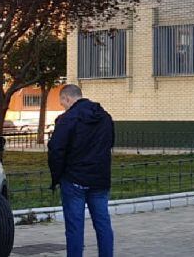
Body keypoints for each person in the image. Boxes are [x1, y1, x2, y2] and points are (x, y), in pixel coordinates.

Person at [48, 84, 115, 257]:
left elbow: (56, 150)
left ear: (67, 98)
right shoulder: (105, 117)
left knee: (74, 227)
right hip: (100, 179)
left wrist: (56, 177)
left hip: (73, 180)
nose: (63, 107)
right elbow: (109, 144)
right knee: (103, 224)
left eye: (62, 103)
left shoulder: (67, 119)